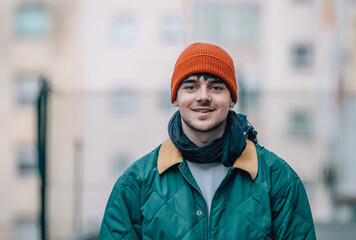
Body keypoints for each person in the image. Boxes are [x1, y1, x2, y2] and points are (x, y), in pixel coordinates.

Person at [99, 43, 316, 239]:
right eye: (191, 86)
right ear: (175, 98)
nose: (203, 96)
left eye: (216, 87)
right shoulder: (136, 184)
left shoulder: (278, 179)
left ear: (232, 99)